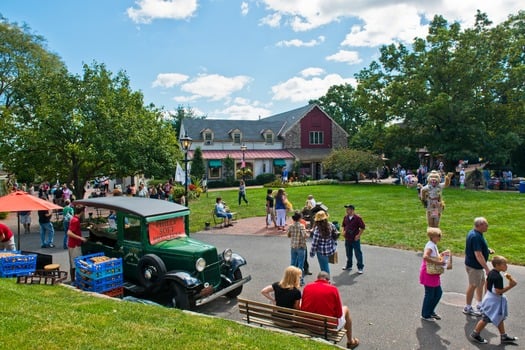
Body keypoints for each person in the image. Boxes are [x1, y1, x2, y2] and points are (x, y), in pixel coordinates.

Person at [301, 271, 359, 349]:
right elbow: (339, 314)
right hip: (326, 328)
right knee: (346, 309)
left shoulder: (307, 287)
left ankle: (350, 341)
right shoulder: (333, 289)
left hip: (308, 325)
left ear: (317, 279)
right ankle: (350, 341)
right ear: (328, 281)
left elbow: (303, 307)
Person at [469, 255, 518, 344]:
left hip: (490, 298)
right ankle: (475, 334)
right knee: (486, 318)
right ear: (497, 265)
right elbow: (498, 291)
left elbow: (487, 283)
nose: (506, 266)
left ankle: (503, 336)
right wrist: (511, 286)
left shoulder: (492, 272)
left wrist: (486, 295)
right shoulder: (498, 277)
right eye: (504, 264)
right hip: (493, 301)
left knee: (499, 317)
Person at [464, 217, 494, 316]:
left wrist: (487, 250)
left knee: (481, 283)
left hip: (477, 266)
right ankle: (468, 307)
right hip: (474, 267)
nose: (487, 226)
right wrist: (487, 269)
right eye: (486, 225)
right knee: (473, 285)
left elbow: (478, 248)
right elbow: (478, 255)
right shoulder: (475, 236)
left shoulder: (476, 234)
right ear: (480, 225)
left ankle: (479, 304)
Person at [420, 227, 450, 321]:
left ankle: (430, 311)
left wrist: (441, 255)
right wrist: (439, 263)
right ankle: (425, 314)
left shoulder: (433, 245)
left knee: (437, 293)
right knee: (430, 294)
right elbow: (425, 257)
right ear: (432, 237)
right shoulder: (430, 246)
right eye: (438, 236)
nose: (440, 237)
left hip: (433, 274)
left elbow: (433, 256)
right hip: (429, 273)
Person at [309, 210, 338, 278]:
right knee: (326, 266)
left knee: (324, 268)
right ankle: (326, 280)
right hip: (330, 250)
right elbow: (336, 234)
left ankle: (326, 281)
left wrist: (312, 253)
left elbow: (314, 244)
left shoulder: (317, 230)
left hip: (321, 252)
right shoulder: (331, 225)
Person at [341, 204, 366, 274]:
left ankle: (360, 267)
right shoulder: (345, 217)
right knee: (348, 253)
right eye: (346, 209)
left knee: (358, 253)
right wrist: (343, 231)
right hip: (347, 238)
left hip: (355, 239)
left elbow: (363, 227)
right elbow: (343, 225)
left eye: (348, 209)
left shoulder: (357, 218)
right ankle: (349, 266)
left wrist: (358, 235)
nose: (346, 210)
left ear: (352, 210)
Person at [67, 206, 87, 282]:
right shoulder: (75, 220)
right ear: (82, 212)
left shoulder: (75, 219)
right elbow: (69, 232)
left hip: (73, 244)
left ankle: (74, 280)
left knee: (73, 263)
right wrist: (80, 238)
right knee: (76, 263)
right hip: (74, 245)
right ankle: (75, 281)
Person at [287, 211, 308, 286]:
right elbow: (304, 235)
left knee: (292, 263)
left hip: (293, 246)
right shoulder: (302, 226)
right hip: (301, 246)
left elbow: (289, 235)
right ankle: (300, 280)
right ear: (299, 218)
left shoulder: (290, 226)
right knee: (300, 264)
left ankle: (290, 279)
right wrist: (308, 233)